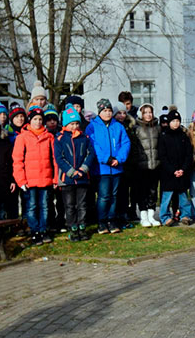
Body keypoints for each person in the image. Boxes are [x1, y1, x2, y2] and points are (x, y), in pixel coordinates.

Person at [86, 99, 130, 234]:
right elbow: (93, 145)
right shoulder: (92, 126)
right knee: (104, 196)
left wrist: (119, 159)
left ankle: (112, 220)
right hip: (102, 169)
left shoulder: (118, 126)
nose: (108, 113)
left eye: (110, 111)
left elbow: (125, 143)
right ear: (99, 112)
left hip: (116, 168)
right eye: (105, 111)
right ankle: (102, 221)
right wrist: (106, 159)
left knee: (114, 195)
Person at [13, 107, 56, 245]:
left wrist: (55, 178)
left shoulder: (49, 137)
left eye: (40, 119)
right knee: (31, 207)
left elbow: (54, 159)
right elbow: (18, 160)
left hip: (46, 178)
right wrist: (21, 180)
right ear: (30, 120)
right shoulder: (22, 137)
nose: (37, 122)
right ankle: (35, 231)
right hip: (29, 181)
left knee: (45, 206)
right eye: (35, 119)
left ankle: (44, 230)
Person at [53, 105, 95, 241]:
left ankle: (82, 226)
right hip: (67, 179)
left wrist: (83, 168)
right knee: (70, 205)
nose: (74, 126)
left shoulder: (85, 138)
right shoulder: (59, 139)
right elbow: (59, 157)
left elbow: (90, 154)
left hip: (83, 177)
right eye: (71, 124)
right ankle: (73, 228)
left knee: (82, 204)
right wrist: (71, 171)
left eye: (76, 123)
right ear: (66, 124)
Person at [157, 111, 194, 226]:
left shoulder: (183, 136)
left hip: (182, 172)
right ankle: (165, 217)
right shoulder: (163, 136)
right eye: (173, 121)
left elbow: (189, 154)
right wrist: (172, 170)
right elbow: (162, 156)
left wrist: (183, 169)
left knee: (183, 196)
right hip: (168, 173)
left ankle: (185, 215)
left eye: (177, 121)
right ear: (168, 122)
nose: (176, 123)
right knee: (167, 197)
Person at [134, 103, 161, 227]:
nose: (148, 115)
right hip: (141, 166)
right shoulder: (137, 128)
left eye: (150, 112)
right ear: (141, 114)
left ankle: (152, 216)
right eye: (145, 112)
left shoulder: (157, 127)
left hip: (155, 165)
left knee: (153, 191)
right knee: (142, 192)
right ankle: (143, 216)